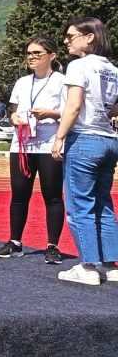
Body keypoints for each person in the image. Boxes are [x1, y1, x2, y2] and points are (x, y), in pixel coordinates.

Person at [51, 17, 118, 286]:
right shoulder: (112, 69)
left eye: (71, 36)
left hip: (84, 139)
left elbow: (74, 105)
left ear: (90, 37)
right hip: (109, 140)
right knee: (104, 204)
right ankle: (111, 266)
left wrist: (59, 137)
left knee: (80, 205)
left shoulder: (78, 66)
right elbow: (114, 108)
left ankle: (88, 266)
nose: (66, 41)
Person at [0, 36, 66, 263]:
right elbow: (13, 110)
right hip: (22, 144)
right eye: (29, 53)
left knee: (52, 195)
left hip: (49, 144)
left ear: (52, 56)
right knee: (19, 194)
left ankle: (52, 246)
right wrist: (14, 118)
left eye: (37, 53)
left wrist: (50, 113)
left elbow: (71, 112)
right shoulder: (22, 82)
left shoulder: (62, 81)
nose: (32, 57)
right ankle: (15, 242)